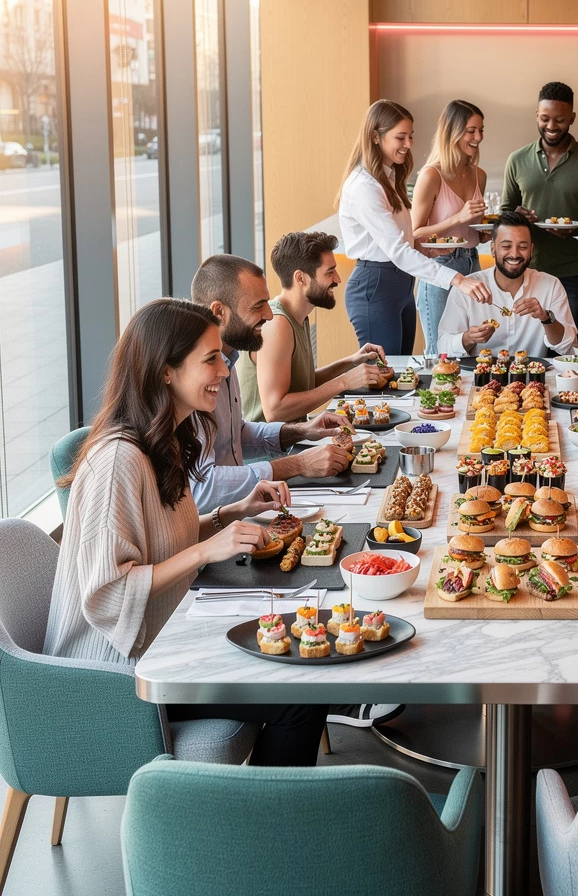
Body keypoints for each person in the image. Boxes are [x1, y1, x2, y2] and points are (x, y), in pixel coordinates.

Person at [44, 298, 328, 766]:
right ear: (165, 372)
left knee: (295, 656)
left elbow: (159, 542)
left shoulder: (167, 439)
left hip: (161, 641)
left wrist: (230, 513)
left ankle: (257, 814)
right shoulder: (118, 461)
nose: (225, 369)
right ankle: (259, 827)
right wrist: (205, 552)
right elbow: (110, 589)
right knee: (298, 693)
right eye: (211, 359)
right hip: (114, 677)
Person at [189, 254, 355, 510]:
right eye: (258, 306)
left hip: (244, 509)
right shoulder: (193, 378)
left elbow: (236, 434)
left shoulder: (228, 358)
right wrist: (297, 464)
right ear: (219, 311)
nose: (268, 314)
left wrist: (303, 430)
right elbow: (203, 487)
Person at [338, 99, 490, 356]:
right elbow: (396, 250)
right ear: (376, 137)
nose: (409, 145)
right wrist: (456, 278)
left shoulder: (389, 178)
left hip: (401, 283)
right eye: (401, 137)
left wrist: (425, 247)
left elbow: (403, 240)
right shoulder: (364, 187)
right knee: (385, 378)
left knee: (403, 373)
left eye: (410, 136)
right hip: (376, 283)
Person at [235, 231, 386, 423]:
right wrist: (345, 381)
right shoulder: (277, 324)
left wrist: (352, 361)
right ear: (301, 278)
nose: (338, 279)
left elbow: (302, 383)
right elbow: (275, 411)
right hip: (271, 451)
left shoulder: (298, 316)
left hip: (293, 439)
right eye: (330, 272)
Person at [501, 81, 578, 341]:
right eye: (545, 118)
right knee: (523, 346)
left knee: (567, 344)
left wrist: (577, 229)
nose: (551, 126)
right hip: (524, 271)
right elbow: (504, 213)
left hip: (571, 273)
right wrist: (518, 216)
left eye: (559, 119)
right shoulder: (517, 159)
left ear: (571, 117)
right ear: (536, 115)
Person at [437, 211, 577, 358]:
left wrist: (546, 318)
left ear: (531, 250)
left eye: (522, 247)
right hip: (480, 377)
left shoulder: (551, 285)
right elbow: (443, 347)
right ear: (493, 249)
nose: (515, 254)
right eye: (506, 246)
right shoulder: (467, 288)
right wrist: (469, 338)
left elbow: (568, 347)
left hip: (530, 378)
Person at [413, 99, 491, 354]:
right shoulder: (431, 175)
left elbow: (473, 236)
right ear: (452, 131)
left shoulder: (479, 175)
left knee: (469, 347)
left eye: (481, 130)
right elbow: (415, 235)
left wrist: (487, 231)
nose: (478, 137)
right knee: (440, 352)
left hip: (472, 262)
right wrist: (458, 217)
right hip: (439, 269)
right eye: (471, 131)